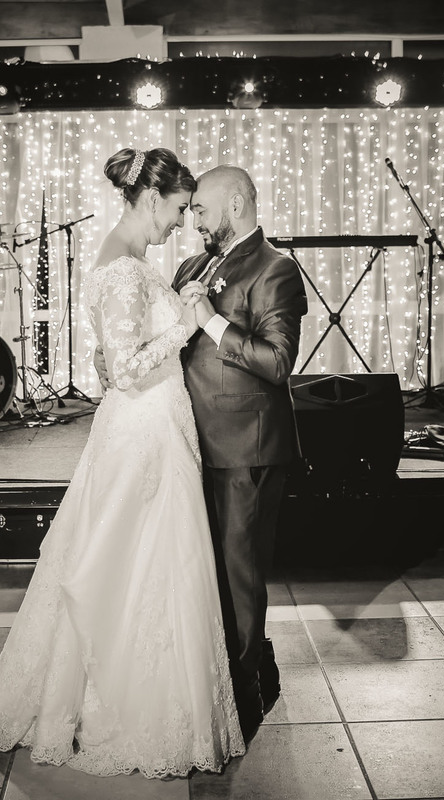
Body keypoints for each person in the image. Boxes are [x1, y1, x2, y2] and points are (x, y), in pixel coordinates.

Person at [0, 147, 245, 779]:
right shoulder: (118, 267)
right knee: (130, 566)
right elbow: (123, 370)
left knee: (155, 568)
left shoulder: (133, 261)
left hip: (161, 432)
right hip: (142, 434)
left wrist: (181, 299)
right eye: (177, 207)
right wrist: (191, 325)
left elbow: (138, 344)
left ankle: (161, 700)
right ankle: (123, 710)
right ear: (149, 200)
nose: (180, 221)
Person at [98, 164, 308, 740]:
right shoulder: (191, 265)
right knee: (202, 578)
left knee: (240, 580)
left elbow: (277, 363)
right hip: (187, 444)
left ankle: (244, 702)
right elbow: (157, 337)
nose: (194, 220)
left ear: (236, 203)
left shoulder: (277, 269)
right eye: (188, 210)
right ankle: (212, 694)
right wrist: (116, 357)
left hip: (246, 448)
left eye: (203, 210)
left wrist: (212, 322)